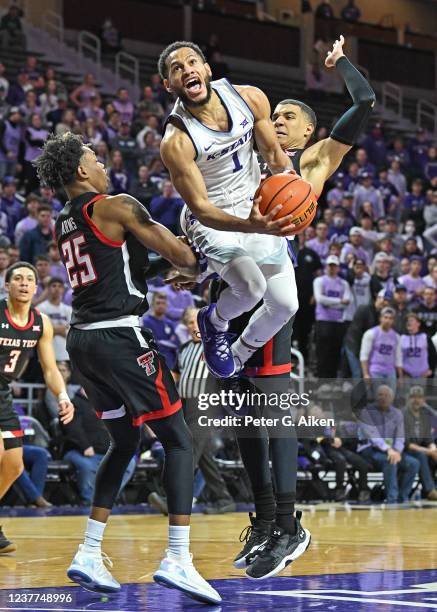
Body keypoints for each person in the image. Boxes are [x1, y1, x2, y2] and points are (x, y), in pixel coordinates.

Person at [35, 132, 221, 604]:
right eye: (94, 158)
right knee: (179, 441)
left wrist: (164, 267)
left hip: (83, 342)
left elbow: (126, 270)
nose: (102, 163)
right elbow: (182, 257)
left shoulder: (64, 220)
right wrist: (196, 253)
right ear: (81, 171)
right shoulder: (116, 204)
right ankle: (179, 557)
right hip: (121, 336)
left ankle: (89, 551)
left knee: (124, 442)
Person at [159, 41, 299, 379]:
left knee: (286, 304)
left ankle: (239, 352)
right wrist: (254, 226)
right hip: (211, 220)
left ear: (206, 69)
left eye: (192, 62)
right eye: (176, 69)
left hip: (254, 207)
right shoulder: (175, 141)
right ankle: (213, 321)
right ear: (169, 85)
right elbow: (203, 209)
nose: (187, 69)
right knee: (250, 287)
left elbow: (275, 157)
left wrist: (293, 191)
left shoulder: (249, 98)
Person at [0, 261, 74, 553]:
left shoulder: (40, 322)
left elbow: (50, 369)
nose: (23, 283)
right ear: (7, 286)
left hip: (3, 392)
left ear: (36, 287)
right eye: (17, 278)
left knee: (15, 465)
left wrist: (63, 396)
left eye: (29, 279)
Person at [172, 307, 235, 514]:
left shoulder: (216, 346)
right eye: (189, 322)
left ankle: (173, 498)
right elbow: (176, 375)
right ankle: (224, 499)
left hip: (205, 406)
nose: (193, 326)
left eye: (197, 321)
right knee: (204, 457)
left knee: (187, 451)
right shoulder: (184, 349)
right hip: (185, 406)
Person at [63, 388, 136, 505]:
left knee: (130, 463)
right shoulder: (74, 403)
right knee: (86, 466)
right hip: (80, 451)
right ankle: (89, 500)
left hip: (107, 452)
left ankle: (107, 497)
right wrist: (85, 445)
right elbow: (72, 427)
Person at [357, 385, 420, 503]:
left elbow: (400, 437)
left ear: (392, 398)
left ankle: (403, 497)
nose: (383, 397)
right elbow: (373, 436)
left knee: (414, 463)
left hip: (392, 450)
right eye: (380, 394)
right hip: (370, 449)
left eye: (386, 395)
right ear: (376, 397)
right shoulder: (366, 412)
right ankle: (392, 499)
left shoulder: (397, 414)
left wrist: (397, 451)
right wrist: (389, 450)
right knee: (390, 461)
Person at [314, 255, 352, 378]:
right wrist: (339, 301)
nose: (332, 268)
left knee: (335, 352)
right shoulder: (319, 281)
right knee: (323, 352)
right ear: (326, 267)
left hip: (338, 321)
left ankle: (332, 379)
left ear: (338, 268)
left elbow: (347, 301)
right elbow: (320, 299)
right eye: (330, 266)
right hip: (323, 320)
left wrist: (330, 302)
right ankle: (322, 379)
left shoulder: (344, 283)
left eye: (334, 266)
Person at [404, 386, 437, 500]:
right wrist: (429, 451)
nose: (416, 400)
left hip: (419, 449)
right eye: (413, 397)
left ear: (424, 400)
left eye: (419, 397)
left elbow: (428, 439)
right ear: (408, 399)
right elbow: (407, 444)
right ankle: (430, 489)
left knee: (432, 455)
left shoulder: (424, 416)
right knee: (422, 456)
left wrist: (433, 449)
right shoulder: (403, 415)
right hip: (404, 451)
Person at [360, 307, 402, 392]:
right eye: (385, 317)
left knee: (390, 397)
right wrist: (365, 374)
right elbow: (364, 355)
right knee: (377, 397)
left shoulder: (396, 336)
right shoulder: (371, 333)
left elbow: (398, 357)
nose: (387, 320)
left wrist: (400, 376)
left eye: (390, 318)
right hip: (375, 370)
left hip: (390, 371)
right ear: (380, 318)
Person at [142, 292, 179, 370]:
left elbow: (175, 343)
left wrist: (162, 343)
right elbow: (151, 344)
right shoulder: (146, 322)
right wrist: (167, 342)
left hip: (169, 360)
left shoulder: (169, 323)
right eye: (158, 303)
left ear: (167, 305)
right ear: (152, 304)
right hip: (154, 358)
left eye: (163, 303)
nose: (161, 306)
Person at [39, 278, 72, 362]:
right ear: (48, 289)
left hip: (66, 354)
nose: (57, 289)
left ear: (63, 289)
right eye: (54, 286)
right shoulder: (40, 308)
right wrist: (62, 329)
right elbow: (41, 331)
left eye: (59, 286)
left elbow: (71, 333)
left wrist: (52, 329)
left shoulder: (68, 310)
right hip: (45, 355)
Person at [401, 313, 435, 379]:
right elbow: (398, 357)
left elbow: (433, 354)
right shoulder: (402, 338)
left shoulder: (425, 337)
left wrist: (431, 370)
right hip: (406, 375)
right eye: (407, 321)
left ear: (418, 323)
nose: (408, 322)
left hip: (423, 375)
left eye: (411, 320)